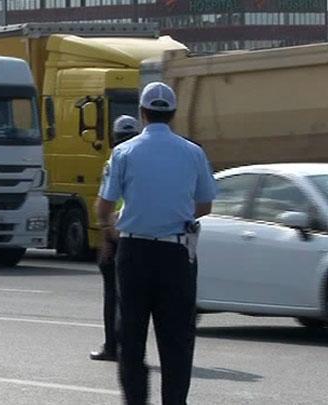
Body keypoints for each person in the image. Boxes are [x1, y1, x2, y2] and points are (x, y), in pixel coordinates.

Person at [96, 82, 217, 405]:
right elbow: (205, 205)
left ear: (142, 113)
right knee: (177, 339)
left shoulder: (124, 151)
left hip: (135, 252)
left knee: (131, 338)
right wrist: (173, 211)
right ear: (173, 114)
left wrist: (109, 225)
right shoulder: (193, 152)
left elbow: (104, 205)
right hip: (176, 253)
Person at [90, 115, 140, 362]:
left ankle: (113, 346)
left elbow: (105, 203)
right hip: (138, 236)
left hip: (116, 235)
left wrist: (106, 238)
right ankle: (130, 346)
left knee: (113, 297)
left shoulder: (116, 159)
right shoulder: (143, 160)